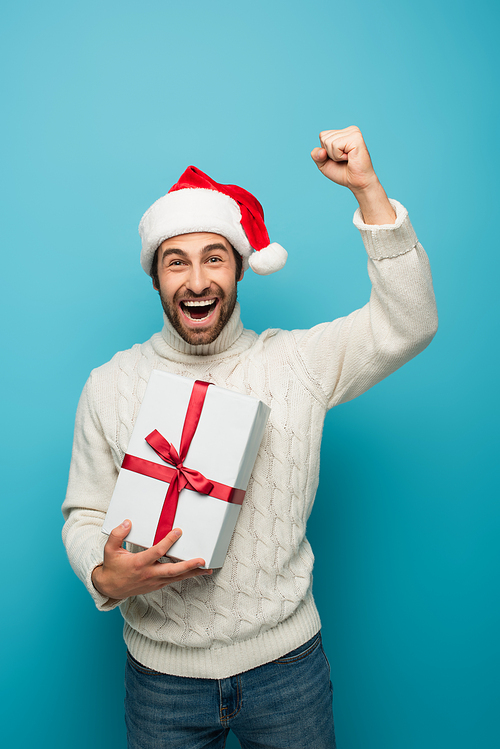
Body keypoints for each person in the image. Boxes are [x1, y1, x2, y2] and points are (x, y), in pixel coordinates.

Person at [62, 126, 438, 749]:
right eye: (175, 261)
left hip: (288, 668)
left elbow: (410, 322)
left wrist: (368, 191)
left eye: (215, 257)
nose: (197, 279)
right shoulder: (110, 384)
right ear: (155, 278)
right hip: (161, 677)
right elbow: (83, 516)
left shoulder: (297, 363)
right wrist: (105, 578)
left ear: (240, 268)